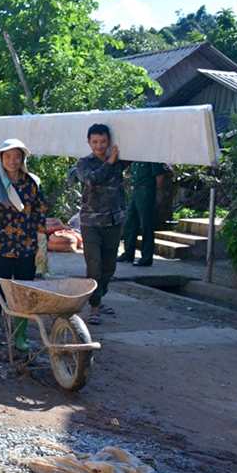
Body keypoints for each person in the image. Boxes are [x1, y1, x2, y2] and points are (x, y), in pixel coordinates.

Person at [0, 139, 48, 352]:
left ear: (23, 159)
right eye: (8, 156)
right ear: (1, 159)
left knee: (24, 292)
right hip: (2, 248)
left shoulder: (33, 183)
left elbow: (40, 214)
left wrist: (41, 247)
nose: (13, 161)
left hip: (27, 248)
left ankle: (20, 336)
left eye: (17, 157)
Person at [71, 123, 129, 325]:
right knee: (94, 264)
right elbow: (92, 180)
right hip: (91, 222)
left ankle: (99, 297)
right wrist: (109, 162)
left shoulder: (120, 162)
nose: (99, 145)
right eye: (95, 142)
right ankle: (94, 307)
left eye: (103, 141)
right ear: (89, 143)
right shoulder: (83, 163)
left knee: (109, 267)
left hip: (113, 221)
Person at [119, 161, 167, 267]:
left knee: (146, 225)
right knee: (130, 224)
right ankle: (128, 253)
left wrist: (158, 192)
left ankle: (146, 257)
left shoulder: (152, 158)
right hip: (134, 190)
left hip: (146, 191)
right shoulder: (136, 158)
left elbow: (159, 176)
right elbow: (130, 173)